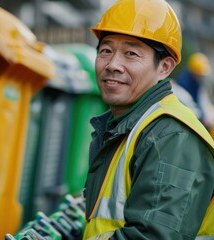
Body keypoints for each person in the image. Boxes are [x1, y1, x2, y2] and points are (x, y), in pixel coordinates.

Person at [83, 0, 214, 239]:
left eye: (131, 54)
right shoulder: (129, 125)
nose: (113, 65)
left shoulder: (171, 136)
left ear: (165, 67)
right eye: (105, 51)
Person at [177, 52, 214, 130]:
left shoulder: (199, 82)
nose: (201, 76)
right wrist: (202, 117)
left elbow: (203, 100)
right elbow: (187, 104)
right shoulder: (184, 83)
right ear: (193, 72)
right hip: (189, 117)